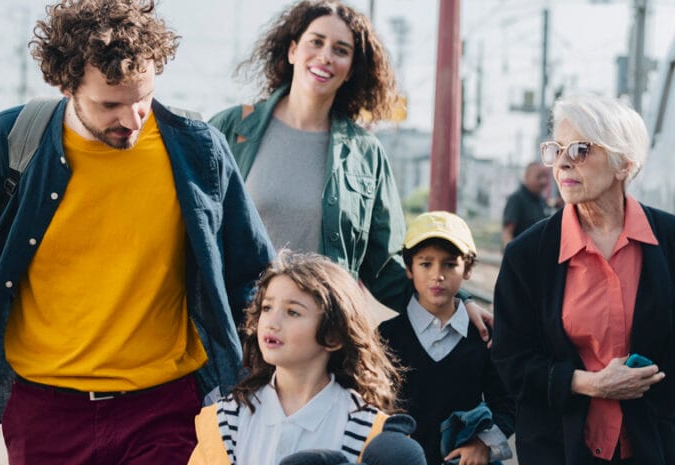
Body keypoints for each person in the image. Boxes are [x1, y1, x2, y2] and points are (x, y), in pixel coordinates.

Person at [0, 1, 274, 462]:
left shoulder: (199, 151)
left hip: (165, 406)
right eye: (110, 104)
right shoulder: (11, 141)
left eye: (143, 98)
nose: (133, 119)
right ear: (66, 84)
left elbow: (251, 270)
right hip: (46, 409)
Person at [208, 0, 492, 338]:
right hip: (236, 333)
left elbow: (387, 267)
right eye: (316, 42)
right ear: (293, 51)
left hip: (322, 340)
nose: (326, 56)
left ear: (351, 68)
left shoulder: (365, 153)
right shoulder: (231, 128)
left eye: (340, 50)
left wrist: (456, 303)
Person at [491, 95, 675, 465]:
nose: (563, 161)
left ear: (624, 164)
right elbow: (511, 363)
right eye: (556, 149)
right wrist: (590, 383)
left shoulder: (674, 240)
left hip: (651, 448)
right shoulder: (527, 255)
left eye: (581, 149)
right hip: (562, 450)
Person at [188, 251, 402, 465]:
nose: (272, 322)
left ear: (333, 335)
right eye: (267, 307)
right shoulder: (228, 418)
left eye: (293, 312)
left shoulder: (366, 428)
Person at [378, 211, 515, 465]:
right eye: (425, 263)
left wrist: (483, 444)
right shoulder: (386, 335)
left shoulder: (484, 337)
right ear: (409, 268)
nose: (437, 275)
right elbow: (374, 407)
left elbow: (507, 402)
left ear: (468, 269)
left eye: (450, 264)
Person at [502, 161, 553, 248]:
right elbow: (507, 232)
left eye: (545, 177)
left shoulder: (541, 200)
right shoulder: (516, 199)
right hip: (521, 257)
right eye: (538, 177)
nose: (543, 181)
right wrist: (513, 258)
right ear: (526, 177)